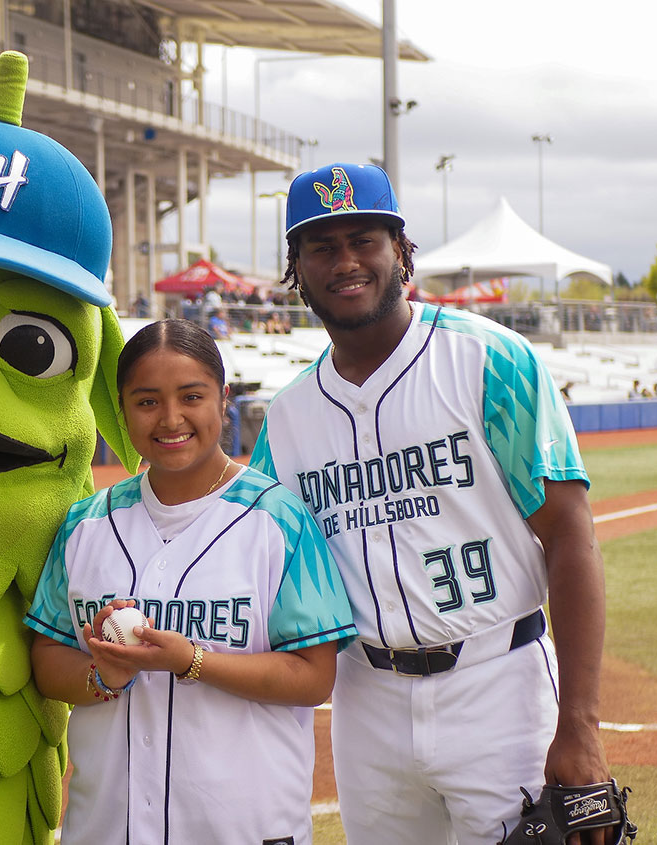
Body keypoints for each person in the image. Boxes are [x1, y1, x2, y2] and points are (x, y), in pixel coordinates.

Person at [251, 162, 613, 845]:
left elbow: (570, 535)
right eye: (322, 247)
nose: (346, 262)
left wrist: (580, 727)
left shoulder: (490, 360)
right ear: (296, 267)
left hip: (498, 682)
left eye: (364, 240)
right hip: (367, 699)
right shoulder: (289, 417)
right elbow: (257, 566)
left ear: (401, 250)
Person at [26, 319, 356, 845]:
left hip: (242, 826)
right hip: (108, 826)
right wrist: (101, 674)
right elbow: (47, 657)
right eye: (147, 401)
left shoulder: (279, 519)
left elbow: (314, 677)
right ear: (122, 408)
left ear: (223, 400)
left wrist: (191, 660)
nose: (171, 418)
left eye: (191, 396)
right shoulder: (86, 523)